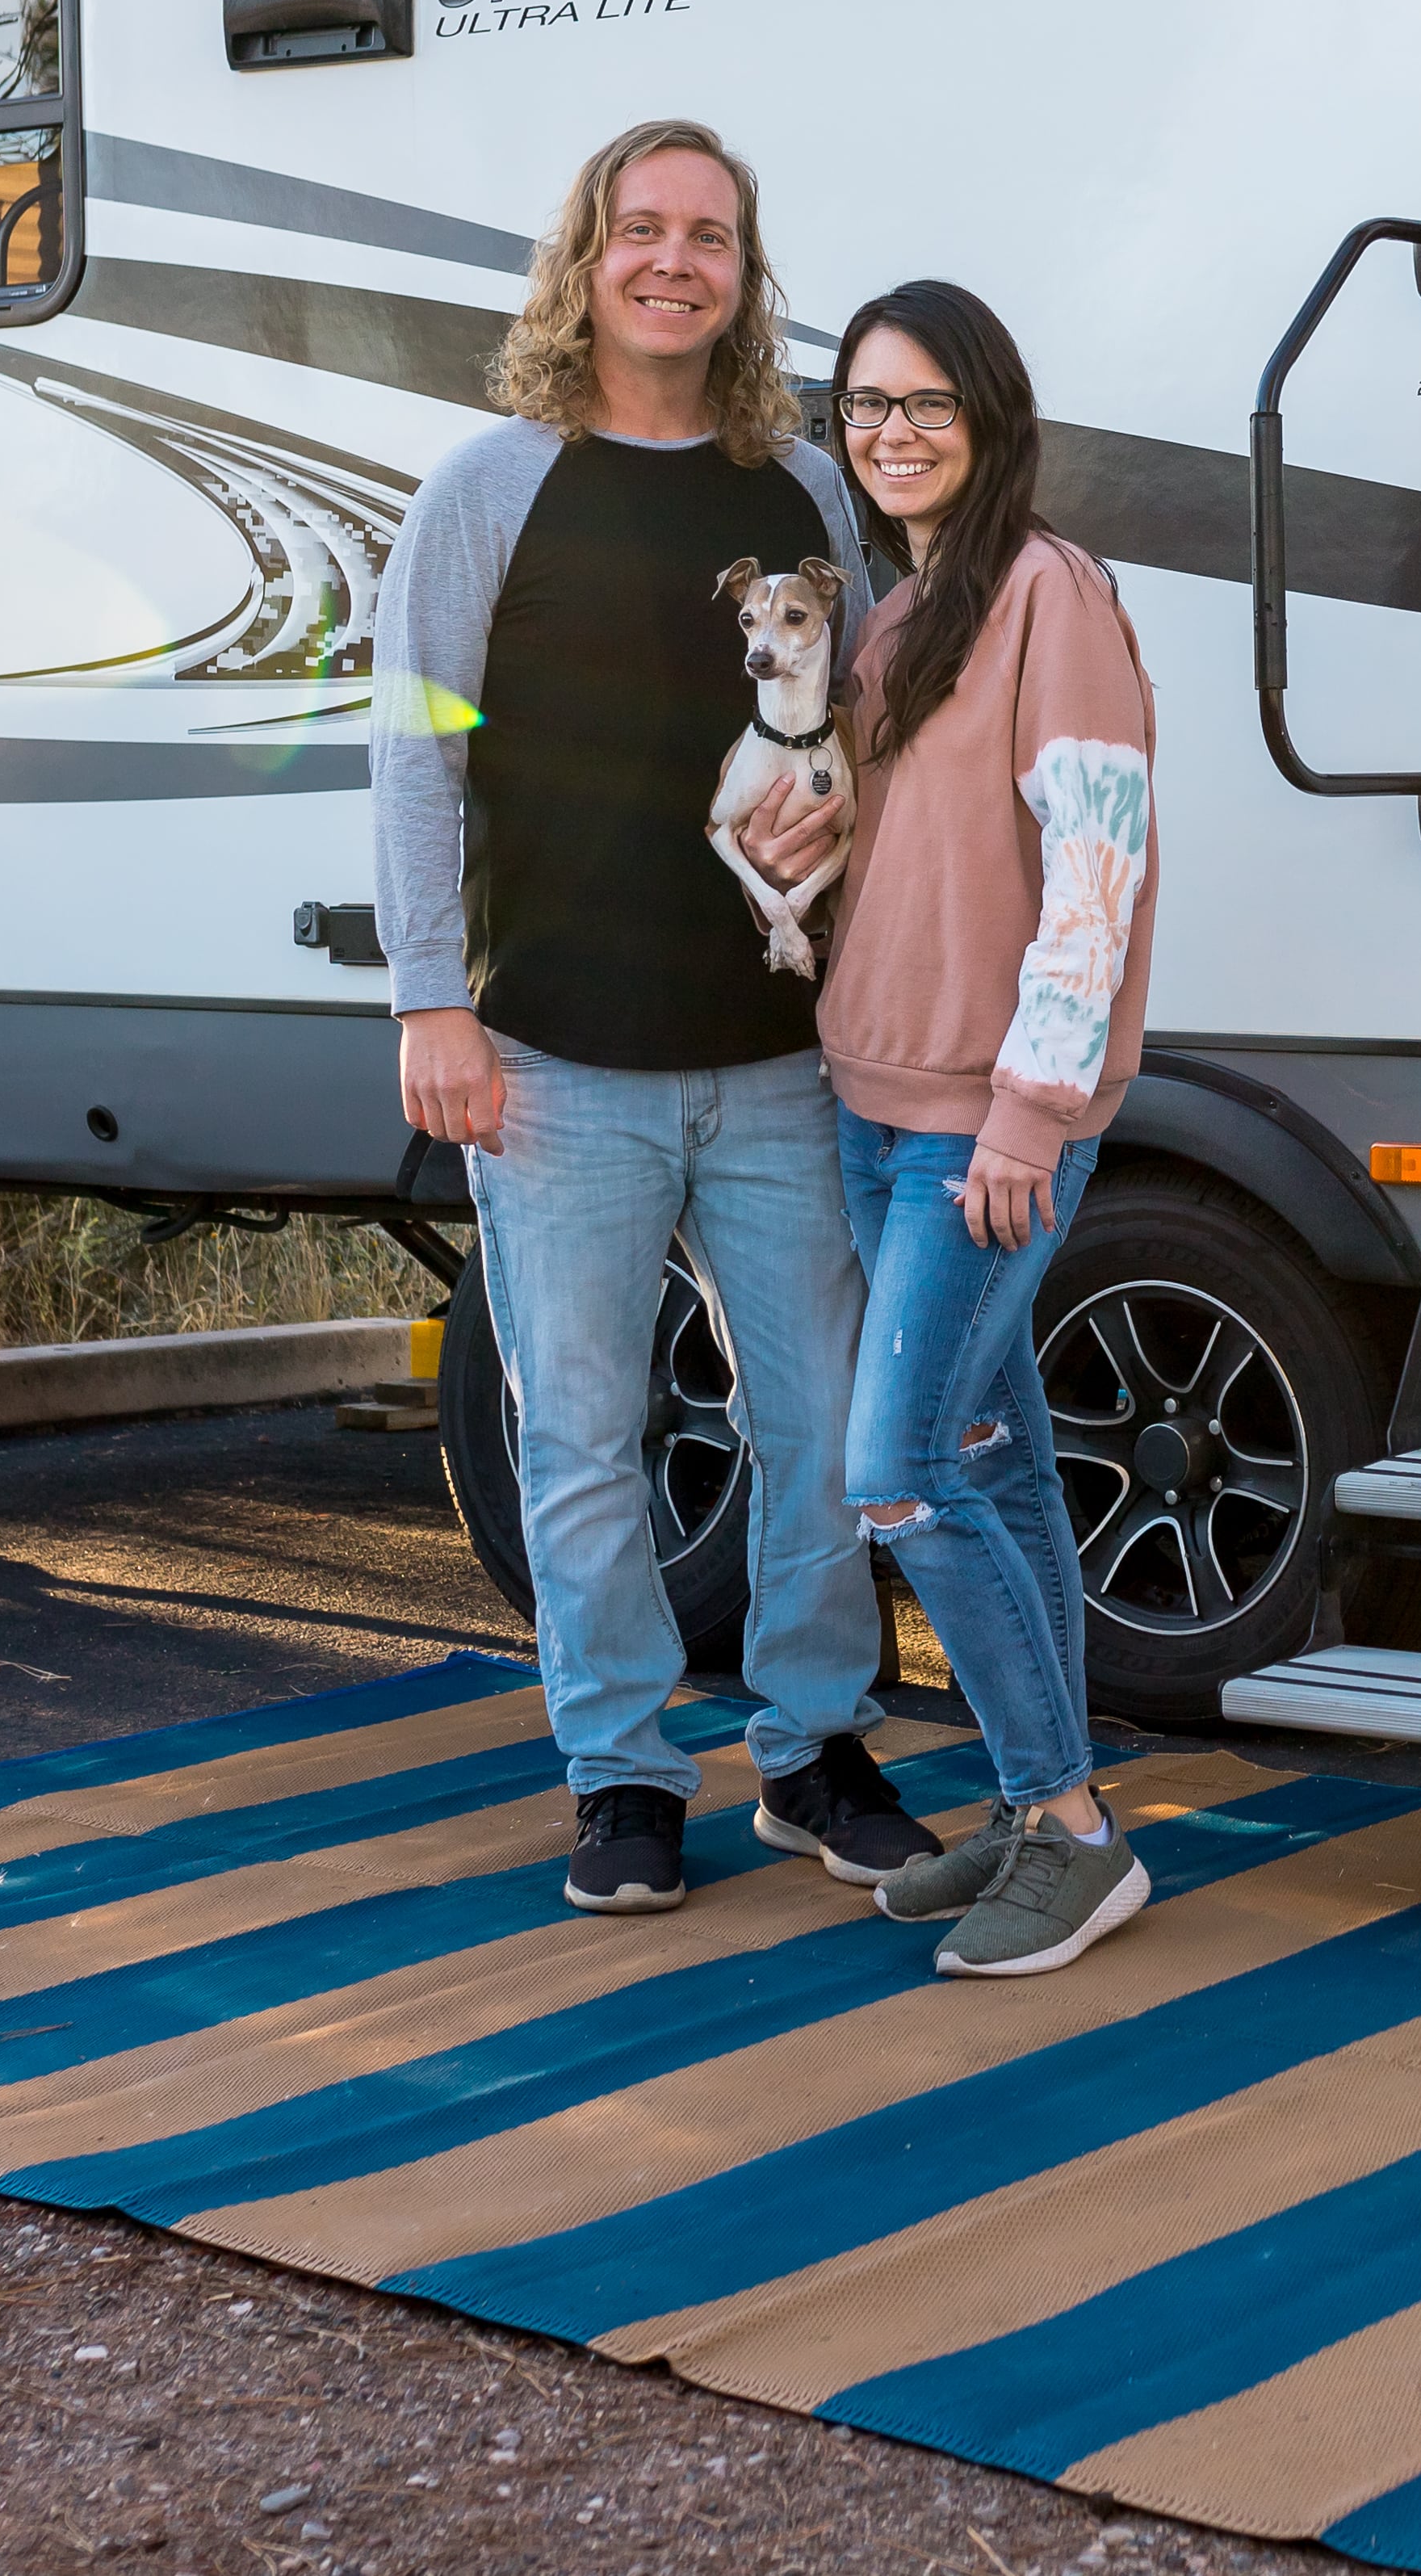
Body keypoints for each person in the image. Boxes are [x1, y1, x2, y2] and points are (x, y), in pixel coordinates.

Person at [367, 117, 939, 1915]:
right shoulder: (489, 487)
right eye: (642, 229)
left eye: (709, 233)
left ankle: (809, 1748)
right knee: (584, 1436)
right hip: (549, 1059)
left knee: (822, 1421)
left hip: (782, 1050)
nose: (674, 259)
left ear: (743, 271)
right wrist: (425, 1000)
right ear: (585, 258)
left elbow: (884, 721)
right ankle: (620, 1772)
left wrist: (849, 803)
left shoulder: (804, 491)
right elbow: (412, 747)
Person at [810, 279, 1163, 1978]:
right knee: (991, 1467)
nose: (891, 432)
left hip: (981, 1131)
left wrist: (1028, 1112)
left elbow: (1096, 865)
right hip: (875, 1113)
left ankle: (1074, 1827)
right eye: (867, 405)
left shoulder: (1049, 594)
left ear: (992, 414)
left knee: (892, 1477)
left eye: (926, 403)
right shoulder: (899, 620)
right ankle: (1044, 1818)